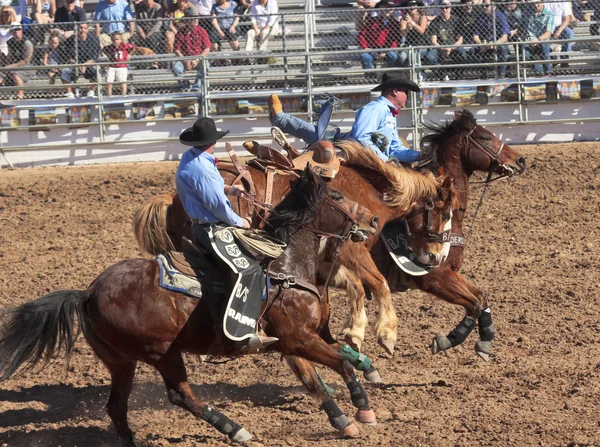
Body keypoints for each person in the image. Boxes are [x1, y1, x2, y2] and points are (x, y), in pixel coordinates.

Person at [176, 117, 278, 350]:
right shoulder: (203, 167)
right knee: (250, 269)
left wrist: (228, 189)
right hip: (212, 228)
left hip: (200, 225)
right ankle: (241, 331)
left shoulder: (191, 157)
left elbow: (204, 189)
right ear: (213, 141)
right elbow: (218, 207)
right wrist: (238, 221)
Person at [268, 71, 422, 163]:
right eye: (406, 92)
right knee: (319, 134)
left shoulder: (388, 113)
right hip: (353, 152)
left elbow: (395, 149)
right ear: (395, 91)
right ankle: (280, 118)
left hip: (359, 150)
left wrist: (420, 156)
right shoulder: (375, 109)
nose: (407, 97)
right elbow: (362, 138)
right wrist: (385, 161)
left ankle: (280, 118)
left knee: (318, 134)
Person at [424, 0, 466, 79]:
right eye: (442, 8)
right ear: (440, 9)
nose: (444, 10)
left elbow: (460, 40)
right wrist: (442, 48)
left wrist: (450, 48)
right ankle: (439, 73)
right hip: (439, 47)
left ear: (450, 8)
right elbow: (434, 41)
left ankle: (459, 74)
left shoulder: (456, 20)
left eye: (447, 7)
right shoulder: (435, 22)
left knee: (462, 53)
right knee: (430, 56)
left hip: (453, 47)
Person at [358, 1, 401, 76]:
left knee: (393, 56)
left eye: (390, 8)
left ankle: (388, 76)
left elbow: (396, 39)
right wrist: (365, 47)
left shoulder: (395, 23)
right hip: (372, 49)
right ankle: (370, 78)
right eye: (385, 7)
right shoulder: (372, 21)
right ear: (381, 8)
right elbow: (361, 35)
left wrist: (386, 51)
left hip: (387, 50)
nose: (388, 9)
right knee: (365, 57)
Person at [471, 0, 510, 78]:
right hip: (484, 44)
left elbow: (505, 37)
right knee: (472, 50)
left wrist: (494, 44)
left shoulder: (500, 16)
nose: (484, 7)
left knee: (503, 49)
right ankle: (483, 75)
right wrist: (482, 44)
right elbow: (475, 36)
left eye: (486, 6)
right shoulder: (480, 17)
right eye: (483, 6)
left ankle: (501, 75)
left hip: (497, 43)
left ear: (493, 6)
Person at [60, 22, 100, 98]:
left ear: (87, 30)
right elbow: (67, 56)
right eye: (81, 28)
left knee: (96, 69)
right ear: (77, 29)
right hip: (74, 64)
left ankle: (91, 91)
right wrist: (77, 65)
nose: (82, 30)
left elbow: (94, 58)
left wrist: (84, 65)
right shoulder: (71, 39)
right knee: (64, 70)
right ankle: (69, 93)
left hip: (88, 65)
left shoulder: (93, 39)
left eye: (85, 28)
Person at [170, 18, 210, 88]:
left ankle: (197, 87)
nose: (195, 20)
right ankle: (186, 86)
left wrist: (197, 59)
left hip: (199, 58)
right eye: (192, 19)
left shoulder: (202, 30)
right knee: (175, 67)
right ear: (186, 21)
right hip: (184, 58)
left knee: (205, 65)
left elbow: (207, 49)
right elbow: (176, 50)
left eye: (196, 19)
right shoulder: (181, 31)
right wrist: (184, 60)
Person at [0, 22, 33, 99]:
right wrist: (2, 56)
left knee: (15, 73)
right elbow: (10, 57)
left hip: (29, 66)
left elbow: (26, 61)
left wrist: (10, 66)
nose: (16, 32)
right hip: (15, 65)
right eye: (14, 30)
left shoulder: (27, 42)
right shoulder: (10, 42)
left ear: (21, 30)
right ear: (11, 32)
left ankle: (20, 96)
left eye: (18, 29)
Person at [521, 0, 554, 75]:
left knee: (544, 47)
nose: (536, 5)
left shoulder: (549, 14)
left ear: (542, 2)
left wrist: (537, 40)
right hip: (529, 39)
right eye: (534, 3)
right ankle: (536, 71)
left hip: (542, 39)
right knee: (525, 54)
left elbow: (549, 32)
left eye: (538, 3)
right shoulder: (527, 12)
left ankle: (548, 72)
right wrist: (529, 40)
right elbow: (523, 27)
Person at [102, 30, 136, 95]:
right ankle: (109, 94)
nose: (115, 41)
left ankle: (124, 94)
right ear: (111, 40)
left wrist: (129, 54)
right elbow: (104, 49)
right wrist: (109, 55)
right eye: (114, 39)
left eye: (117, 39)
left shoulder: (124, 46)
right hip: (112, 66)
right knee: (109, 81)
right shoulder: (110, 47)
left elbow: (133, 47)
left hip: (122, 66)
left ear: (121, 39)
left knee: (122, 81)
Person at [398, 0, 429, 67]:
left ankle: (419, 73)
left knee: (414, 56)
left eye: (414, 4)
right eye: (409, 5)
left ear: (417, 6)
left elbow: (421, 31)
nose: (412, 7)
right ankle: (406, 73)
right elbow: (403, 33)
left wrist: (412, 23)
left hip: (421, 45)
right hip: (409, 45)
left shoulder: (422, 17)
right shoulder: (404, 19)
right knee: (402, 57)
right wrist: (407, 27)